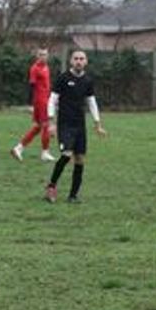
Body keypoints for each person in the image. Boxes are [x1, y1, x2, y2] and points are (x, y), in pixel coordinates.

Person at [44, 49, 107, 203]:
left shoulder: (87, 81)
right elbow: (52, 100)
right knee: (66, 155)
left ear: (86, 62)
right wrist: (51, 122)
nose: (79, 61)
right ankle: (51, 186)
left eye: (82, 58)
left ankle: (73, 195)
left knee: (79, 159)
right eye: (76, 58)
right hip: (65, 124)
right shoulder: (63, 78)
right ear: (71, 61)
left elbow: (91, 102)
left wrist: (97, 124)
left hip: (80, 125)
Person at [11, 47, 55, 162]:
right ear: (37, 56)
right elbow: (31, 87)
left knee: (38, 127)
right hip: (40, 101)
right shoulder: (34, 69)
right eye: (40, 54)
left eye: (45, 54)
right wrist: (31, 104)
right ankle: (45, 153)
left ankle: (18, 148)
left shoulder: (46, 67)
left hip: (46, 99)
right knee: (45, 125)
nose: (43, 57)